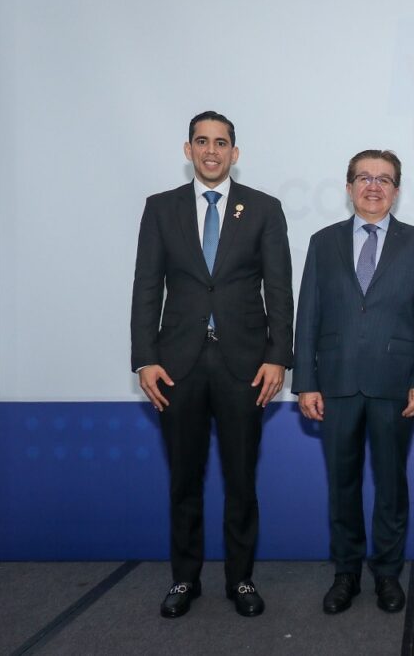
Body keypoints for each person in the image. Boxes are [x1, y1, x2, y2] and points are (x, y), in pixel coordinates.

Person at [131, 111, 294, 618]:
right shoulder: (161, 208)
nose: (211, 150)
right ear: (188, 150)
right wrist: (145, 359)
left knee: (241, 479)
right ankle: (184, 579)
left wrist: (278, 357)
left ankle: (241, 580)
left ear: (234, 154)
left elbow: (280, 289)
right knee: (185, 479)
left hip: (244, 366)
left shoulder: (264, 209)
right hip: (176, 366)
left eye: (221, 143)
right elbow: (146, 286)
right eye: (202, 141)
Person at [292, 150, 414, 615]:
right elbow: (307, 315)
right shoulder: (322, 242)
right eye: (363, 178)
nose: (373, 186)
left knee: (391, 486)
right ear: (349, 186)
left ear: (396, 190)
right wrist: (305, 382)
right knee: (342, 485)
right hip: (334, 384)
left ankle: (388, 574)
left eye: (384, 179)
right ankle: (346, 574)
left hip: (395, 385)